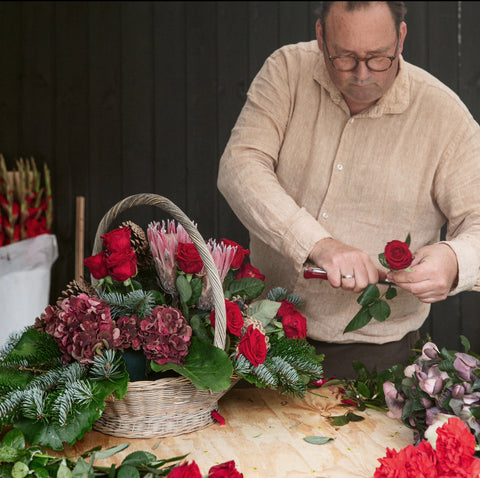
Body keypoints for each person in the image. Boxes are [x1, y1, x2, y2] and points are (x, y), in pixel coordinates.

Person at [217, 1, 480, 378]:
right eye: (344, 57)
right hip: (257, 335)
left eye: (377, 58)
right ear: (321, 36)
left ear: (400, 38)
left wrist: (454, 259)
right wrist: (319, 245)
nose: (361, 74)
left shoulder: (445, 116)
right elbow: (239, 166)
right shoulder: (287, 70)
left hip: (375, 358)